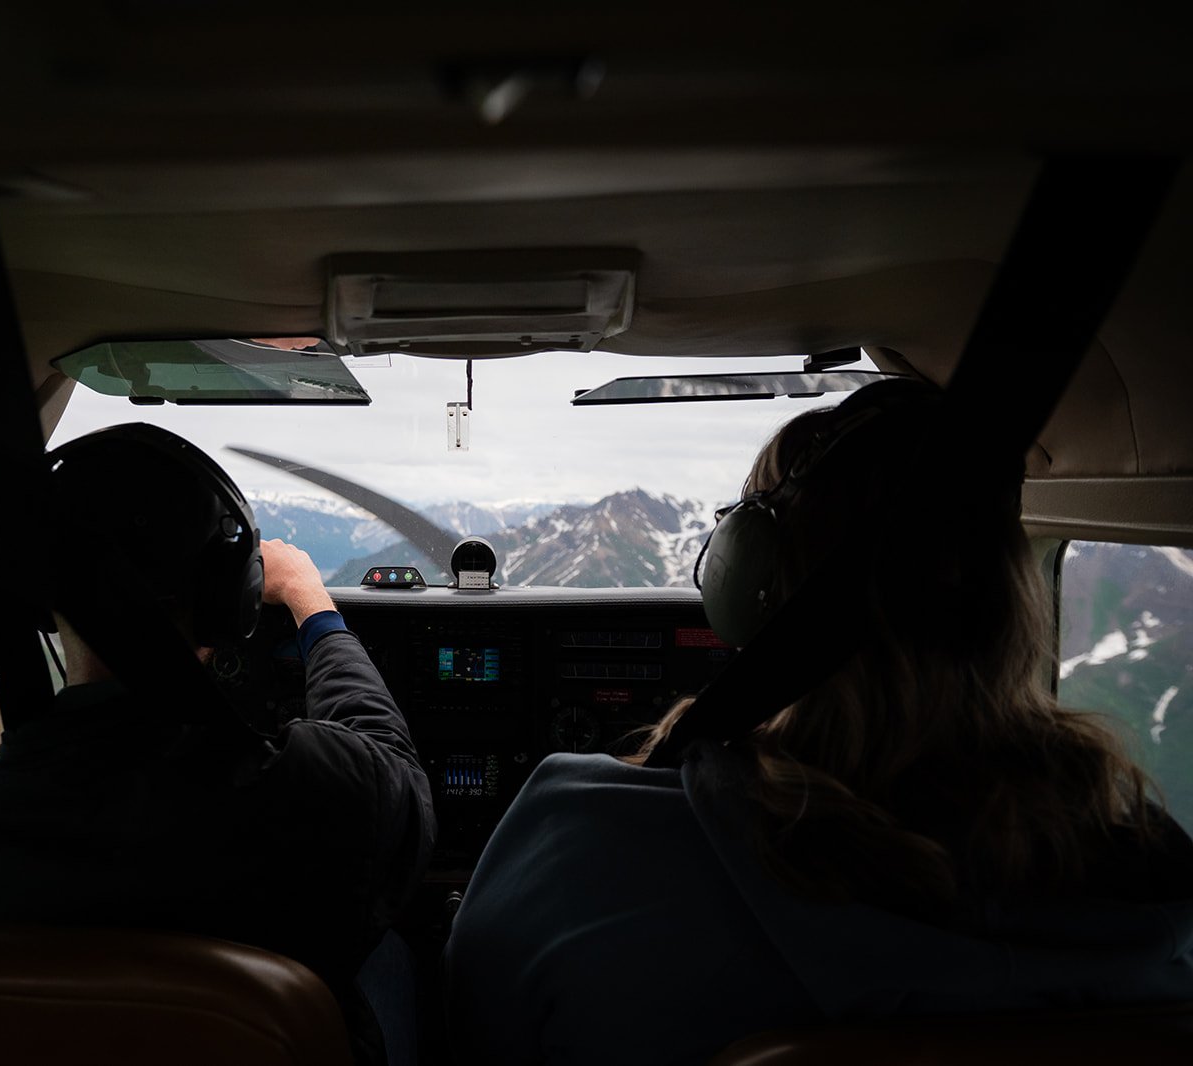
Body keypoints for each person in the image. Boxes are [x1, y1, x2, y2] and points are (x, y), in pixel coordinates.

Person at [445, 380, 1193, 1065]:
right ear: (1009, 597)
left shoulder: (582, 840)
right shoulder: (1143, 876)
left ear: (749, 577)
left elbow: (473, 1035)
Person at [0, 423, 434, 1066]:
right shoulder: (315, 795)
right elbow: (396, 775)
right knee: (389, 951)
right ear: (233, 601)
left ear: (36, 595)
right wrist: (312, 604)